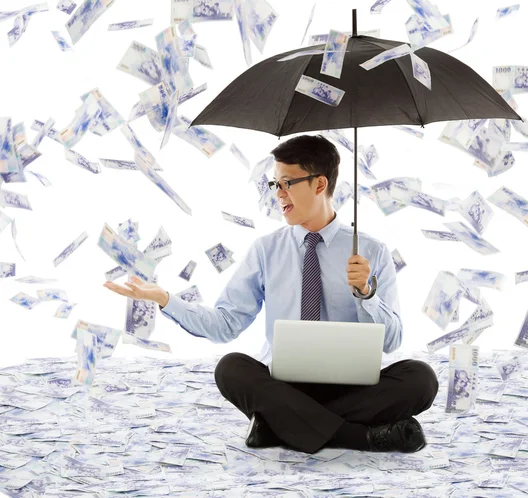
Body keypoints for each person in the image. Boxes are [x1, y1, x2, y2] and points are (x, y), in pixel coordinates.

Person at [103, 134, 439, 455]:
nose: (278, 193)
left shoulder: (370, 252)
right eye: (274, 184)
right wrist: (165, 298)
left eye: (287, 183)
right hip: (284, 384)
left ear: (319, 184)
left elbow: (392, 341)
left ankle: (278, 423)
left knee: (421, 379)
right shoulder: (266, 250)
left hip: (353, 386)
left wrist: (367, 293)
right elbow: (225, 324)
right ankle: (361, 436)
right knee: (231, 368)